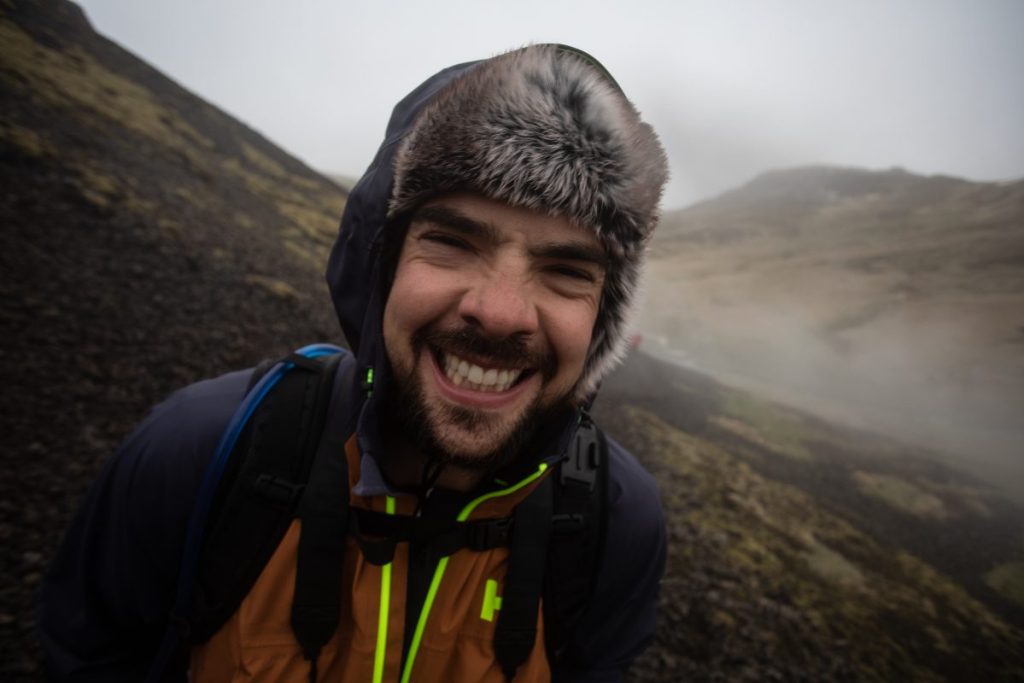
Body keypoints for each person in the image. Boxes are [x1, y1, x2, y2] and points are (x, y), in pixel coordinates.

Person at [40, 44, 669, 682]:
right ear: (380, 264)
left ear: (602, 319)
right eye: (451, 242)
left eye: (565, 271)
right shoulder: (199, 451)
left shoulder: (615, 521)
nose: (502, 313)